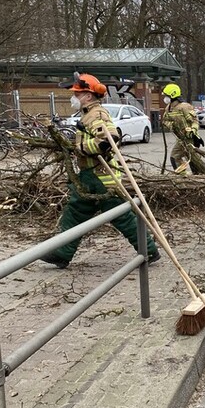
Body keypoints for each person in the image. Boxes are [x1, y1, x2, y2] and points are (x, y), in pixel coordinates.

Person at [40, 72, 159, 268]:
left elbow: (108, 140)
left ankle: (149, 250)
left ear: (88, 96)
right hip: (92, 174)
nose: (73, 98)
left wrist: (80, 149)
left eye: (77, 94)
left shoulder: (97, 114)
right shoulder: (89, 114)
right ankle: (62, 253)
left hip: (101, 176)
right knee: (76, 213)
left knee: (120, 217)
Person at [162, 83, 205, 175]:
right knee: (187, 159)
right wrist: (171, 125)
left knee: (182, 158)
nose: (165, 98)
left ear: (173, 95)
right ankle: (187, 177)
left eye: (166, 95)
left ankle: (194, 176)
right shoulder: (168, 108)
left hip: (190, 139)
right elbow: (165, 121)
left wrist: (192, 130)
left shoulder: (185, 107)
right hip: (180, 139)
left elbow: (195, 121)